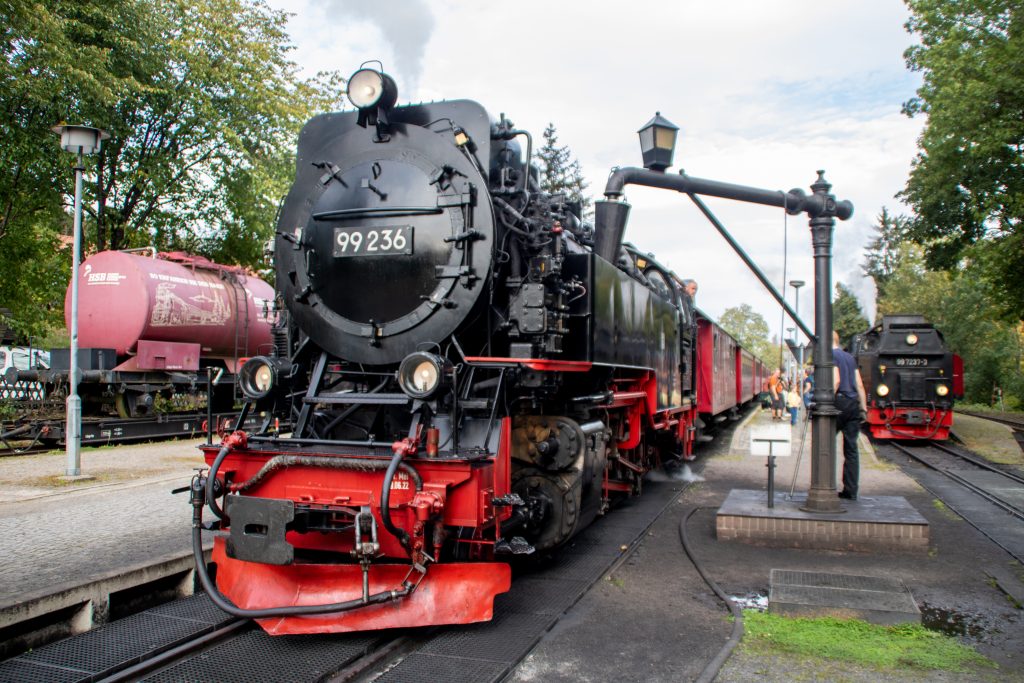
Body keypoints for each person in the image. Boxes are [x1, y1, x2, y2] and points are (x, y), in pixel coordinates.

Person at [833, 331, 867, 500]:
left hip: (837, 402)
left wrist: (825, 401)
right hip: (853, 404)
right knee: (851, 449)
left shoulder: (830, 355)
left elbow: (836, 380)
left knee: (825, 444)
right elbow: (859, 385)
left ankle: (827, 485)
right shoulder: (849, 357)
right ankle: (851, 490)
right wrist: (864, 408)